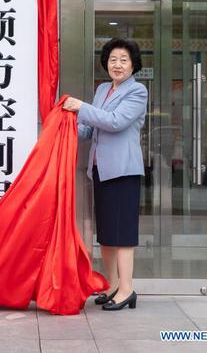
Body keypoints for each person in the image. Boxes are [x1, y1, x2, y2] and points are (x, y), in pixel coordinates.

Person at [63, 38, 147, 311]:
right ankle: (112, 285)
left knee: (122, 234)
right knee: (108, 233)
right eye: (113, 60)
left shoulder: (138, 92)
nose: (117, 65)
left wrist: (81, 108)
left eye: (124, 60)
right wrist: (65, 127)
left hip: (123, 171)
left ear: (133, 64)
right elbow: (90, 128)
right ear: (106, 63)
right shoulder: (102, 89)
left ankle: (127, 289)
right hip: (100, 170)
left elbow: (115, 122)